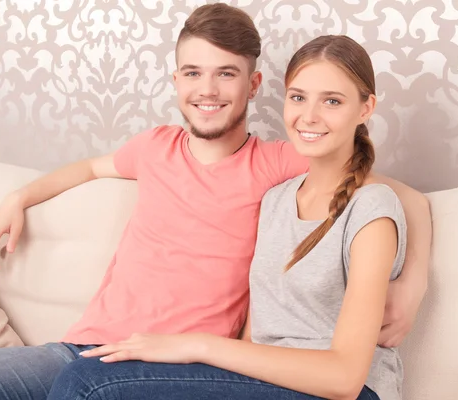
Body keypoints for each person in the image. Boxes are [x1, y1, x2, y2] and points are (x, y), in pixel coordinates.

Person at [0, 4, 430, 400]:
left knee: (86, 386)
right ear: (176, 80)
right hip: (85, 347)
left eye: (226, 73)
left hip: (174, 365)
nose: (208, 89)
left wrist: (412, 282)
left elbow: (396, 194)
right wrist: (17, 197)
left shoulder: (276, 165)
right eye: (193, 72)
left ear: (253, 86)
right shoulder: (157, 148)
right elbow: (89, 168)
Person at [49, 33, 406, 400]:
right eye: (298, 98)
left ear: (365, 108)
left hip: (341, 390)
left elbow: (344, 379)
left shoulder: (372, 209)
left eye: (332, 101)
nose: (309, 116)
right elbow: (254, 336)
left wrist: (199, 346)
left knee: (89, 383)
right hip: (260, 381)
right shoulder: (276, 199)